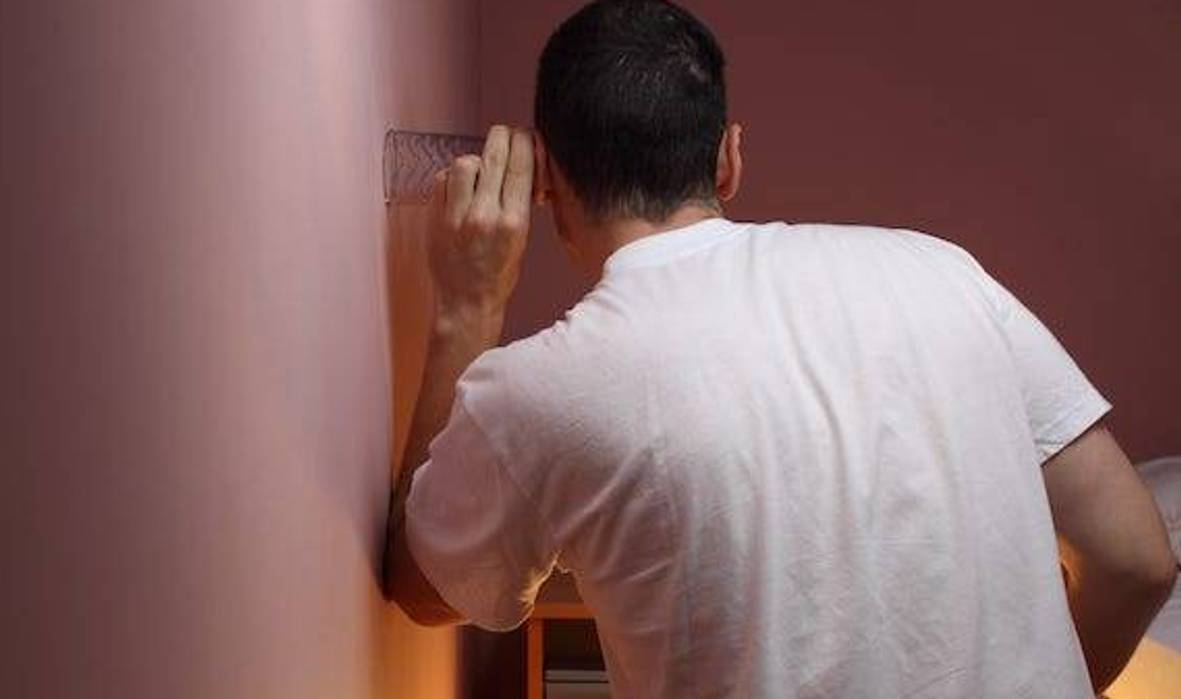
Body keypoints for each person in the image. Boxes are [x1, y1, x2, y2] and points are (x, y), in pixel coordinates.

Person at [383, 1, 1177, 696]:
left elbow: (427, 584)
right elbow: (1137, 559)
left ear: (547, 177)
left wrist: (468, 305)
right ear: (727, 159)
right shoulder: (943, 270)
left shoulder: (544, 387)